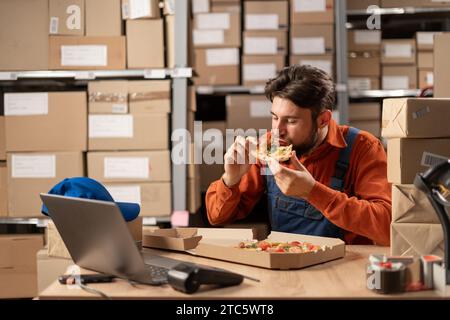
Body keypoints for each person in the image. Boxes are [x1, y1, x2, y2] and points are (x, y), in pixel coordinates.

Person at [205, 65, 391, 245]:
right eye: (275, 118)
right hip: (286, 263)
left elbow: (387, 227)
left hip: (344, 266)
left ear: (323, 120)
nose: (278, 130)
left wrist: (313, 192)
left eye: (291, 121)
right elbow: (217, 218)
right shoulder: (269, 146)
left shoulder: (362, 147)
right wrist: (230, 179)